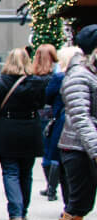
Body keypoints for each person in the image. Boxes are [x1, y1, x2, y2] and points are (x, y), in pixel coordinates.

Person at [0, 48, 46, 220]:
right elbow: (41, 104)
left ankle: (15, 211)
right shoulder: (37, 83)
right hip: (30, 129)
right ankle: (23, 210)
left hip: (6, 130)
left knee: (10, 171)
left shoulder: (0, 83)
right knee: (26, 172)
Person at [54, 25, 97, 220]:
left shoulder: (91, 73)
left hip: (87, 148)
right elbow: (81, 117)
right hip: (78, 148)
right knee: (79, 202)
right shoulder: (79, 75)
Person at [40, 45, 74, 201]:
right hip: (79, 120)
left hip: (62, 120)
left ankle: (53, 189)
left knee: (55, 155)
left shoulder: (60, 77)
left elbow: (47, 97)